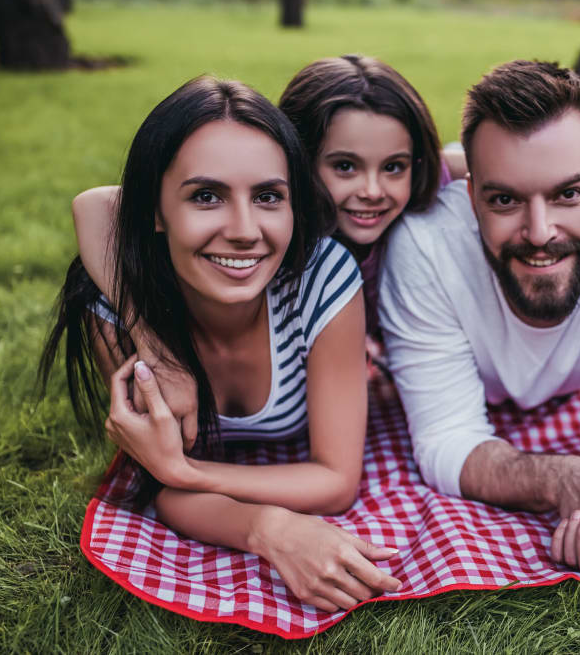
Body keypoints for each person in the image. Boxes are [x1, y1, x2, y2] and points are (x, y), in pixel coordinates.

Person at [71, 55, 580, 397]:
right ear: (296, 161)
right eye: (342, 167)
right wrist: (157, 353)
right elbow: (95, 205)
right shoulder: (264, 217)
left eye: (393, 167)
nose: (371, 190)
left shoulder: (428, 177)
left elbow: (569, 181)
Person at [39, 77, 402, 613]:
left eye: (267, 196)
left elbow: (335, 480)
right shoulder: (113, 309)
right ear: (154, 211)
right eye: (206, 196)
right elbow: (157, 486)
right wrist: (266, 527)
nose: (244, 229)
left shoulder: (320, 279)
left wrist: (186, 471)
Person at [378, 60, 580, 579]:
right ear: (470, 193)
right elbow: (447, 438)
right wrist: (561, 480)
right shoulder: (423, 242)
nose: (540, 231)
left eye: (569, 193)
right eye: (505, 199)